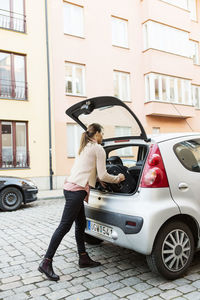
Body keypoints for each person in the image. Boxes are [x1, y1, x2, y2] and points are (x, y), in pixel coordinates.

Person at [38, 123, 125, 281]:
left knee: (81, 224)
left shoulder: (84, 147)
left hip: (70, 187)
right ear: (97, 133)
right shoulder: (97, 148)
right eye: (102, 133)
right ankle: (46, 262)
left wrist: (97, 178)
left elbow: (88, 169)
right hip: (76, 191)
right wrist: (118, 178)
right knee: (64, 226)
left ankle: (83, 257)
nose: (102, 136)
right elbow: (105, 174)